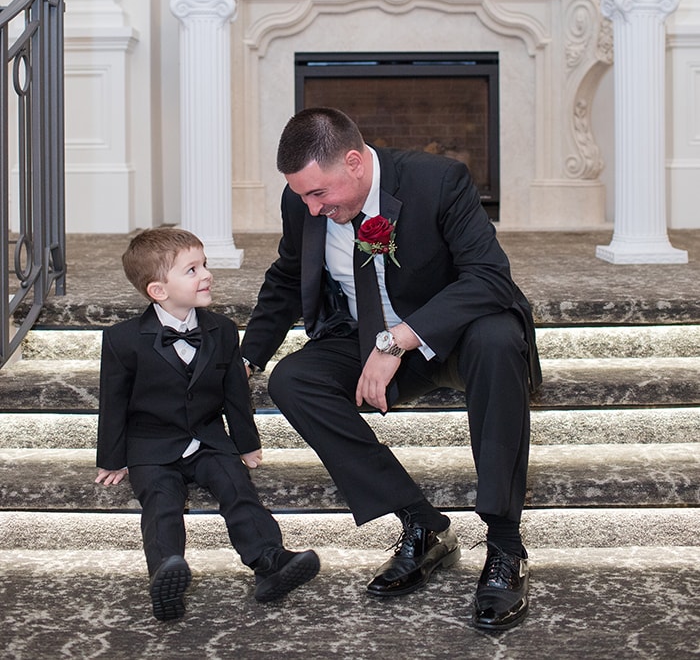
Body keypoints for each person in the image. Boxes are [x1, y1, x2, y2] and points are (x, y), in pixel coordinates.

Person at [240, 107, 541, 633]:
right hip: (359, 337)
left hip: (449, 339)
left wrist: (398, 339)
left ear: (354, 163)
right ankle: (423, 527)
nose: (311, 209)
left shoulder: (438, 180)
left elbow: (490, 278)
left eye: (318, 194)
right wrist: (246, 359)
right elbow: (287, 277)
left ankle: (505, 546)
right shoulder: (302, 203)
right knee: (292, 380)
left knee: (498, 337)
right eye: (303, 196)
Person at [95, 227, 320, 621]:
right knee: (161, 502)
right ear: (158, 291)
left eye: (205, 265)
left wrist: (247, 444)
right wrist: (112, 459)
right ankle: (167, 573)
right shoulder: (122, 340)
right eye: (192, 269)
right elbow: (113, 403)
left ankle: (269, 562)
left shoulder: (222, 329)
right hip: (151, 447)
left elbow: (236, 393)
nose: (206, 275)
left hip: (209, 441)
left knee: (237, 488)